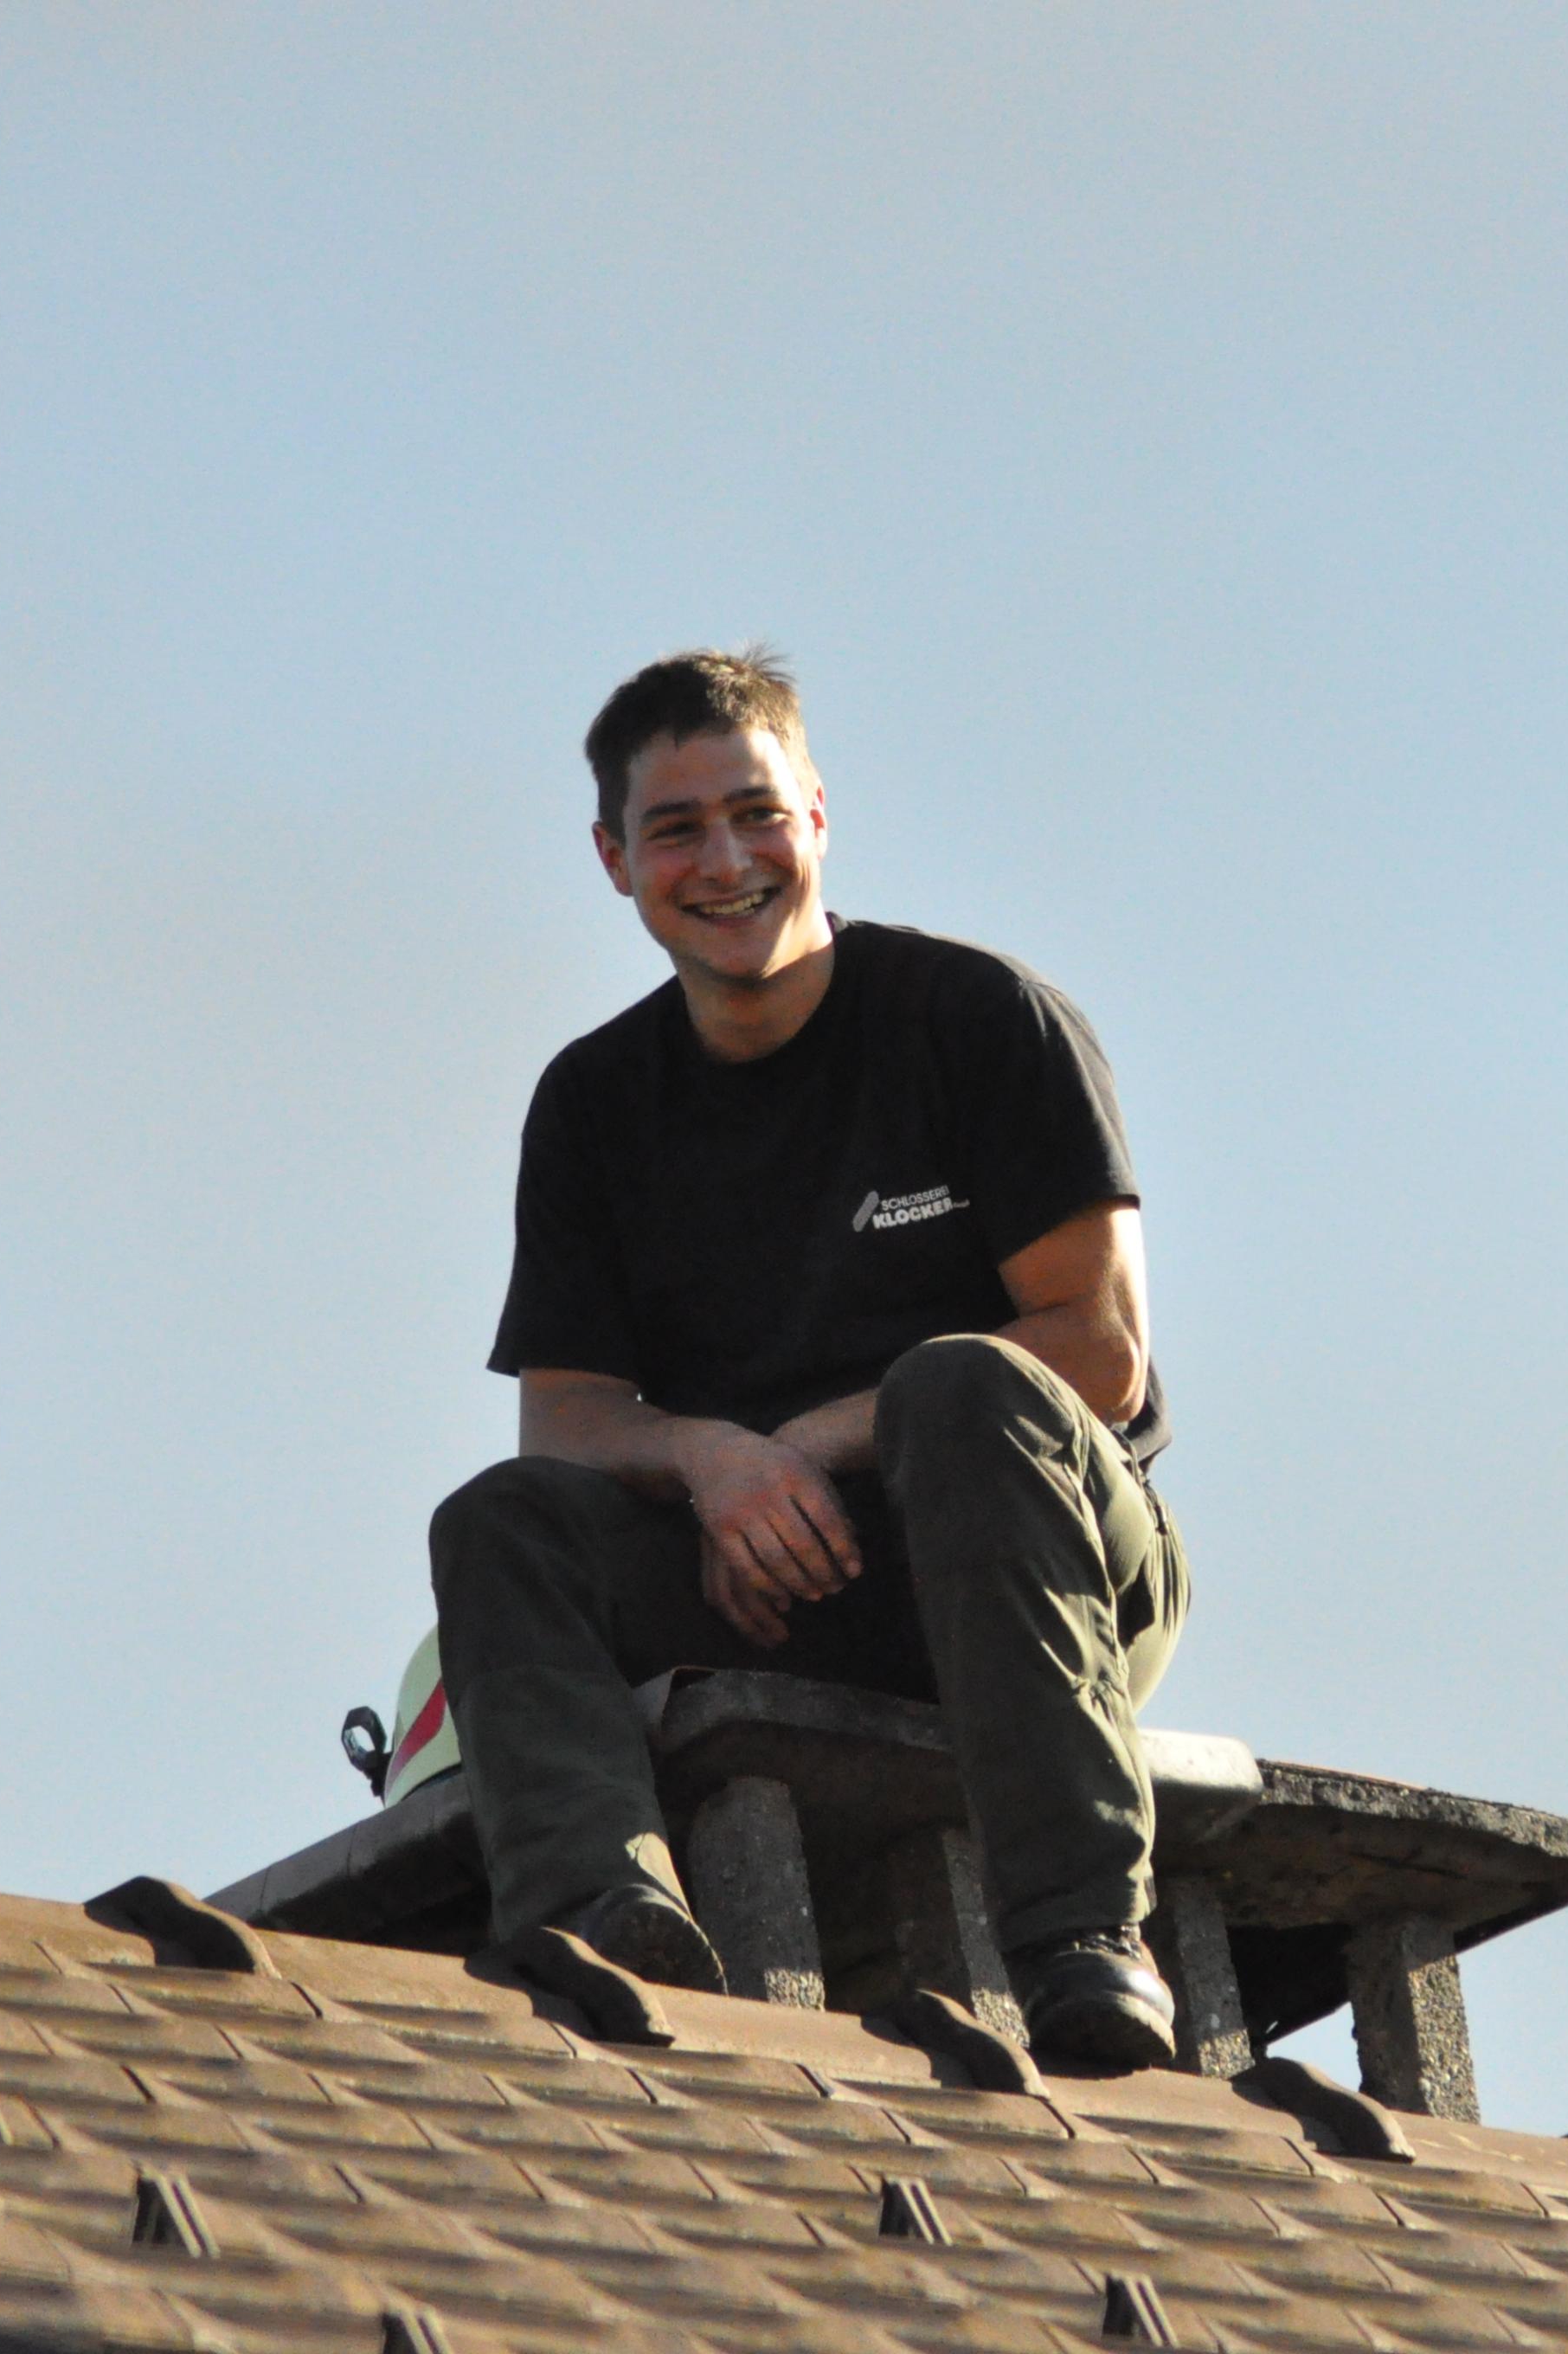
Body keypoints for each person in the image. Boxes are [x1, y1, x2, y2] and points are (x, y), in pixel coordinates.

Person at [427, 646, 1189, 2068]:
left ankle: (1086, 1940)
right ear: (614, 861)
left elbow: (1100, 1354)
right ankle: (605, 1923)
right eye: (676, 829)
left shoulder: (979, 1018)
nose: (727, 862)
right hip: (771, 1588)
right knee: (500, 1522)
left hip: (1046, 1573)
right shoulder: (593, 1104)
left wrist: (796, 1451)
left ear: (818, 817)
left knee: (967, 1383)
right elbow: (567, 1422)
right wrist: (709, 1463)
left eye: (757, 814)